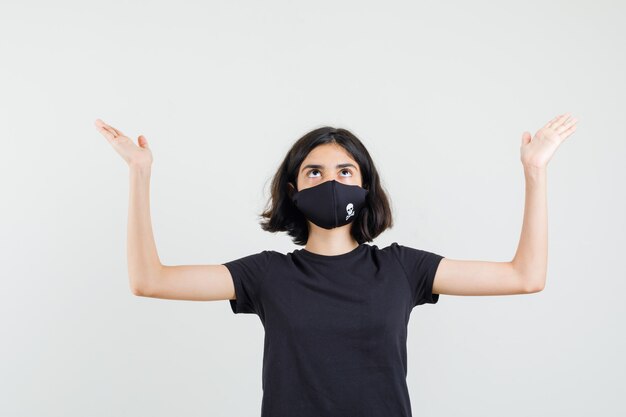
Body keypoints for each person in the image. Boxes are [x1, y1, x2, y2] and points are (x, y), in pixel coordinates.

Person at [94, 114, 578, 417]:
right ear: (294, 190)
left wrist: (535, 172)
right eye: (315, 172)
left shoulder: (402, 269)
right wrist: (140, 175)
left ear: (364, 186)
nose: (331, 181)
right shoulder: (266, 275)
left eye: (345, 171)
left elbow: (525, 277)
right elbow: (149, 280)